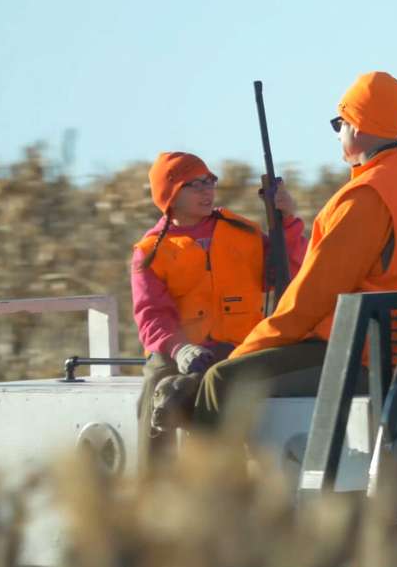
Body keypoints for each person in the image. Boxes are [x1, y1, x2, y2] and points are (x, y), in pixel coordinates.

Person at [192, 71, 397, 425]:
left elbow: (311, 299)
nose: (338, 132)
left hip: (358, 353)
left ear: (357, 125)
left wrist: (244, 351)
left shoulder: (367, 196)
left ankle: (218, 482)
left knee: (220, 382)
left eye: (339, 122)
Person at [131, 151, 307, 468]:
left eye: (209, 181)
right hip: (179, 353)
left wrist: (288, 222)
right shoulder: (149, 252)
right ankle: (151, 488)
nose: (207, 190)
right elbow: (152, 316)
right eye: (194, 184)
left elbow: (289, 272)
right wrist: (180, 348)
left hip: (241, 348)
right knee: (156, 387)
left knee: (216, 390)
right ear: (169, 194)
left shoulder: (244, 232)